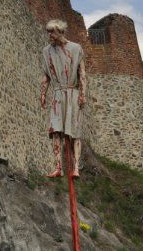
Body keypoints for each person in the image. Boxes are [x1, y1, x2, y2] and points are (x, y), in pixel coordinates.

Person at [40, 19, 87, 178]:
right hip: (58, 94)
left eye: (52, 32)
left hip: (72, 93)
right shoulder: (47, 51)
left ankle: (75, 168)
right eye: (48, 32)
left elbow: (82, 74)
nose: (49, 35)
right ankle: (58, 166)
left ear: (60, 32)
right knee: (55, 131)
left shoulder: (75, 48)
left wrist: (82, 94)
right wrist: (43, 94)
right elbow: (46, 76)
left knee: (74, 132)